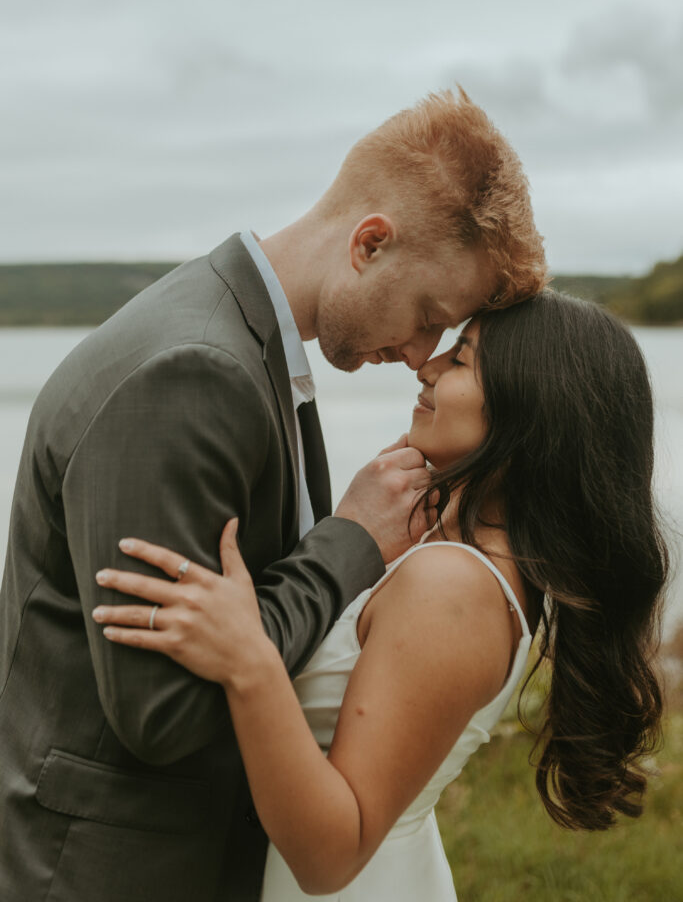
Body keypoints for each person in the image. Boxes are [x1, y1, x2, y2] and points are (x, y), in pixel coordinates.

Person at [0, 89, 546, 902]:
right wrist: (351, 539)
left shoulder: (249, 348)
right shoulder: (193, 371)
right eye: (429, 314)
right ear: (369, 244)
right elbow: (163, 713)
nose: (420, 353)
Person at [95, 291, 668, 901]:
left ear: (530, 407)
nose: (426, 366)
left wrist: (249, 659)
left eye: (462, 360)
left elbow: (330, 857)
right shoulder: (459, 556)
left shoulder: (453, 586)